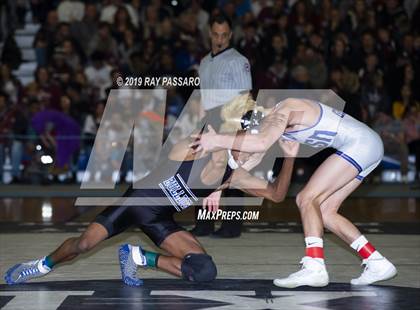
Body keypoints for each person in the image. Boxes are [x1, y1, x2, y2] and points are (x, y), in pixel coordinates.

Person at [4, 96, 297, 287]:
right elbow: (217, 133)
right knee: (83, 245)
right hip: (136, 202)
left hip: (161, 220)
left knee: (204, 270)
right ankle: (40, 266)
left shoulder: (236, 174)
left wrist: (290, 156)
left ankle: (138, 257)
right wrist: (248, 130)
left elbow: (276, 195)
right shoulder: (200, 144)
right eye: (251, 142)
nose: (254, 151)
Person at [191, 96, 397, 287]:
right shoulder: (269, 122)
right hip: (367, 146)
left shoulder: (285, 109)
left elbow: (260, 142)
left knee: (306, 199)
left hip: (360, 144)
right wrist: (217, 188)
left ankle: (314, 266)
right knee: (324, 212)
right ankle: (377, 262)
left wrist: (217, 139)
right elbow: (248, 158)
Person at [192, 12, 253, 238]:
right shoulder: (205, 61)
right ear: (209, 33)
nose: (220, 39)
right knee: (201, 172)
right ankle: (204, 224)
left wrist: (241, 128)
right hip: (208, 118)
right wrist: (198, 124)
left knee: (231, 171)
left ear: (231, 35)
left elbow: (246, 96)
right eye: (216, 35)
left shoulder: (238, 61)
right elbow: (202, 94)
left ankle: (232, 226)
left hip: (230, 117)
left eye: (224, 35)